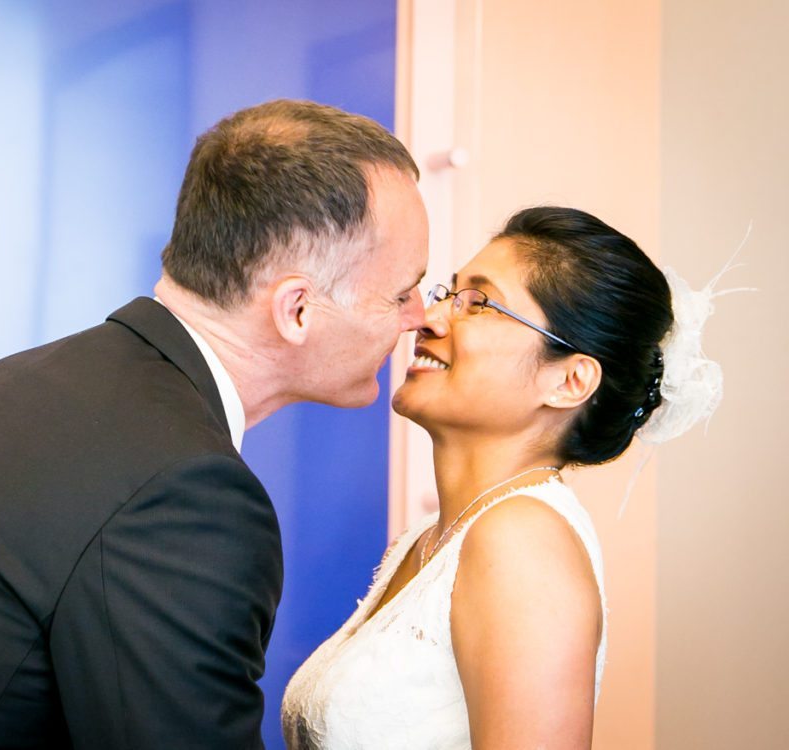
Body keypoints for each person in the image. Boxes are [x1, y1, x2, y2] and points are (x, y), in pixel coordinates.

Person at [0, 99, 429, 749]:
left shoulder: (26, 381)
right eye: (403, 293)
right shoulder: (185, 492)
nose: (418, 319)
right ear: (296, 309)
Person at [282, 206, 724, 749]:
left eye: (479, 304)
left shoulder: (520, 540)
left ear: (569, 381)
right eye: (450, 292)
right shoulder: (431, 538)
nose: (430, 317)